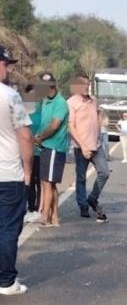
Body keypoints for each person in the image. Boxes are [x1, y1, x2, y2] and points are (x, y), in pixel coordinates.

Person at [0, 45, 33, 295]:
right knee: (9, 227)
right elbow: (24, 137)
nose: (8, 69)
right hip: (8, 174)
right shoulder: (9, 96)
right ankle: (7, 282)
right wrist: (28, 171)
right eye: (6, 64)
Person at [67, 74, 109, 222]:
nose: (86, 87)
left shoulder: (93, 100)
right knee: (81, 178)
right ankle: (83, 205)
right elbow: (71, 126)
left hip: (96, 145)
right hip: (81, 146)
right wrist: (83, 146)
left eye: (88, 85)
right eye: (83, 85)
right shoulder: (71, 102)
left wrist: (99, 122)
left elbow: (97, 116)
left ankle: (92, 198)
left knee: (104, 172)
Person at [34, 72, 69, 227]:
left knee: (47, 182)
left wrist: (41, 137)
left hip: (54, 146)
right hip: (46, 146)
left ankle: (45, 216)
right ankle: (54, 215)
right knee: (49, 182)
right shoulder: (45, 101)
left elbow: (54, 125)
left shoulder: (60, 103)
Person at [22, 84, 43, 223]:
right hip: (26, 151)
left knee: (39, 181)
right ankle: (31, 208)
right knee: (28, 180)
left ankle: (37, 208)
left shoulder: (43, 109)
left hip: (41, 150)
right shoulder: (23, 110)